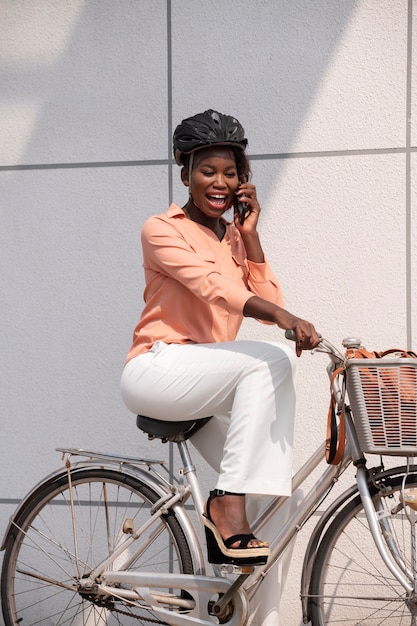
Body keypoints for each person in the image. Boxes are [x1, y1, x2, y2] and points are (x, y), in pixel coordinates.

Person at [121, 109, 320, 567]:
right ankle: (224, 504)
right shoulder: (162, 229)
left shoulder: (233, 237)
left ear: (242, 180)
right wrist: (284, 316)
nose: (220, 182)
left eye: (230, 172)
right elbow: (218, 289)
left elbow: (267, 299)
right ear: (185, 172)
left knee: (276, 502)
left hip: (205, 380)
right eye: (208, 171)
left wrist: (250, 237)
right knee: (270, 358)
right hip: (157, 368)